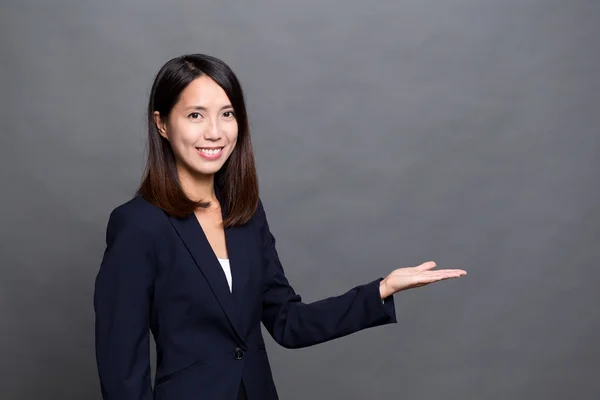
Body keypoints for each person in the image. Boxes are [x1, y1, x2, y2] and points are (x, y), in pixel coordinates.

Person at [93, 53, 467, 400]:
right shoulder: (139, 224)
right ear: (161, 124)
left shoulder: (246, 213)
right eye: (195, 115)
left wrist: (382, 289)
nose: (215, 132)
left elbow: (289, 322)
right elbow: (121, 362)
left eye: (227, 114)